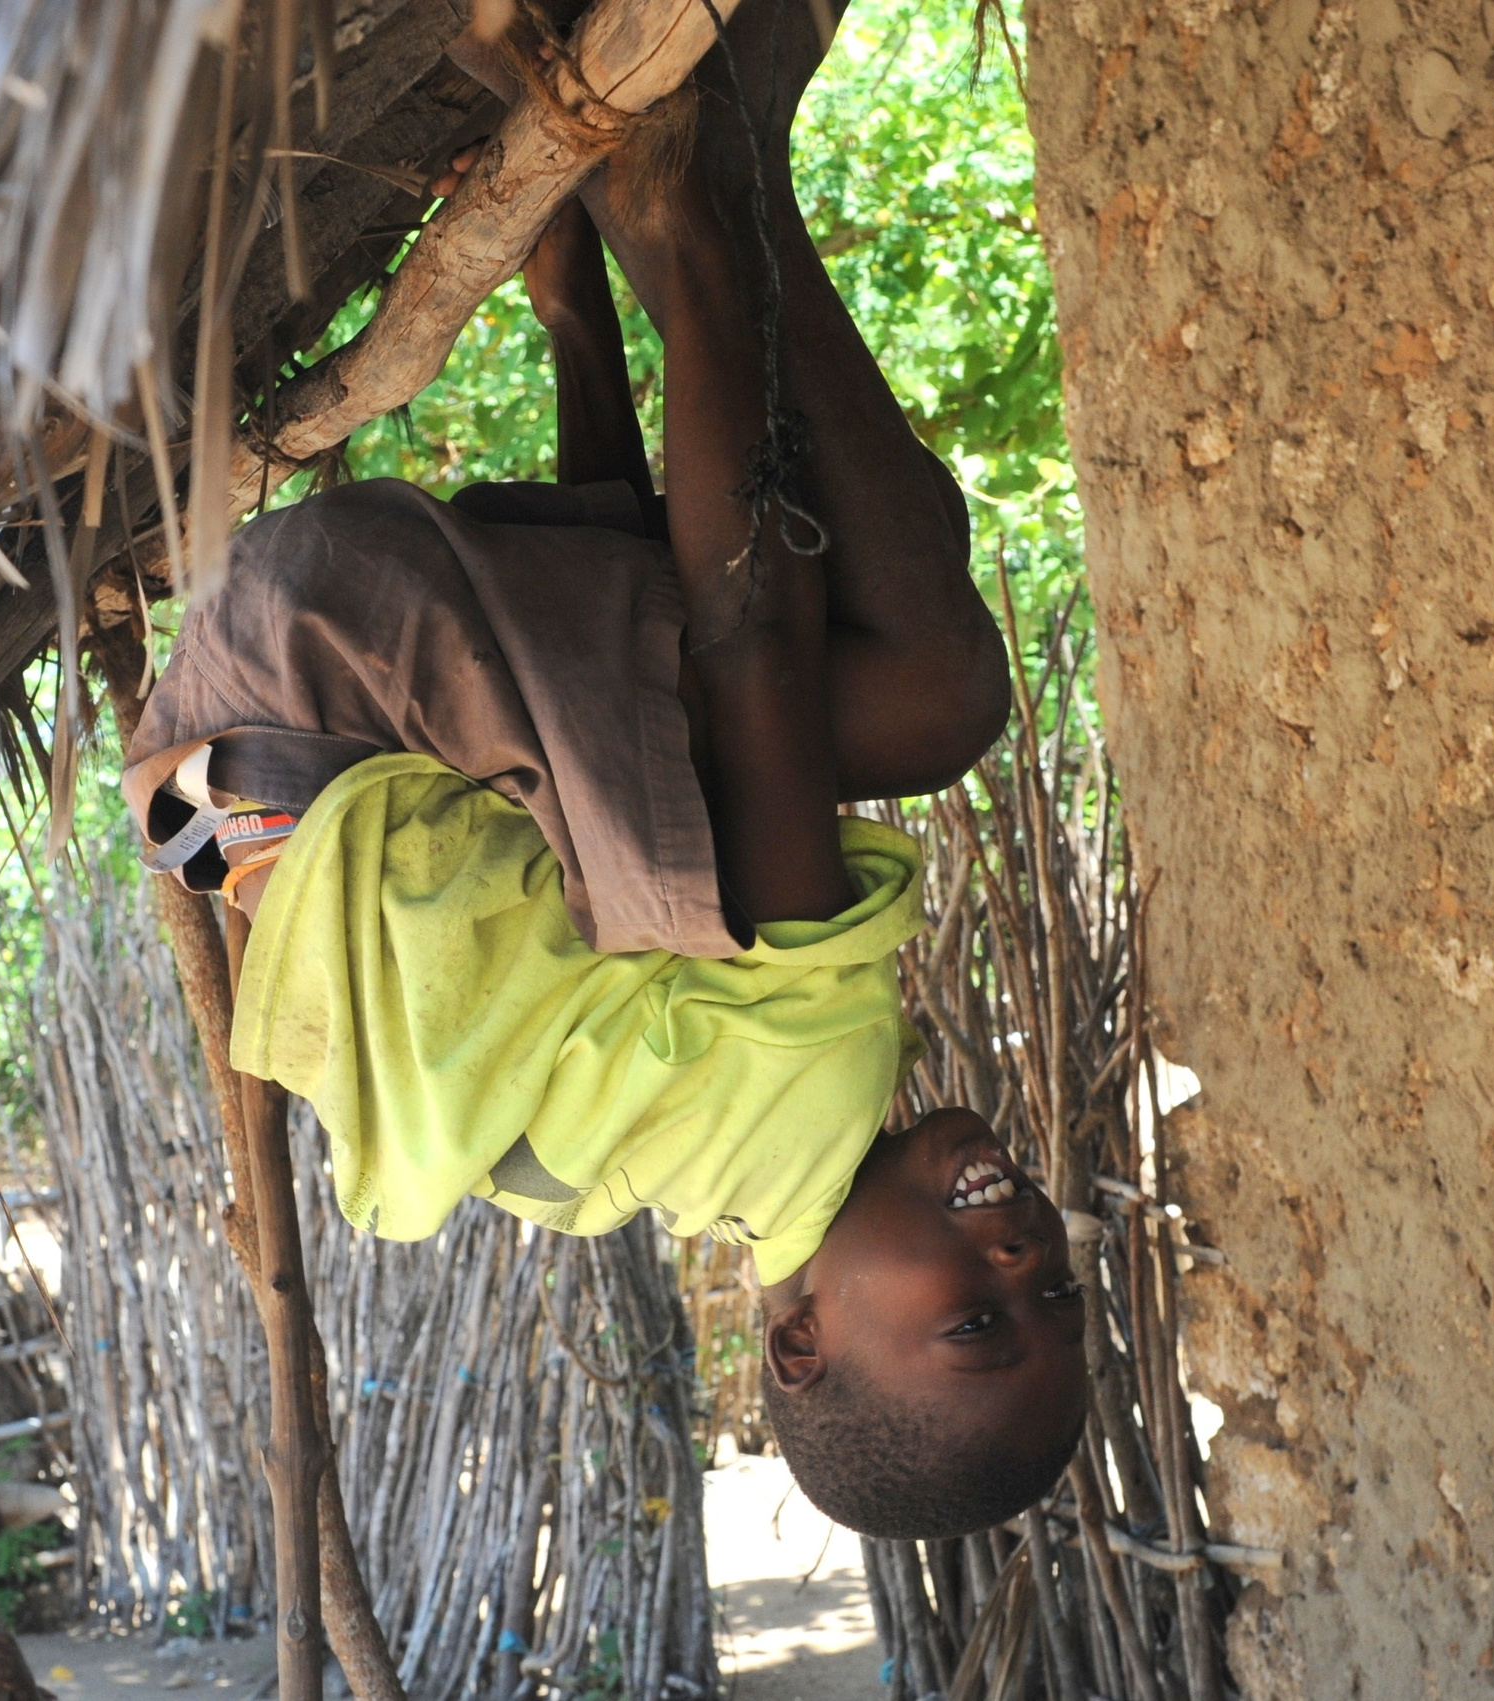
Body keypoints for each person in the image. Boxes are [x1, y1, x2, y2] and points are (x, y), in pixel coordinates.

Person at [123, 0, 1088, 1539]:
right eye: (1059, 1292)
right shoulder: (675, 1161)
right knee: (711, 743)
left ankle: (717, 187)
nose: (1023, 1257)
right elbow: (600, 731)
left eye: (978, 1319)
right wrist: (573, 306)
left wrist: (681, 249)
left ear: (801, 1340)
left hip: (299, 694)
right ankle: (619, 255)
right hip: (192, 799)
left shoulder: (803, 1075)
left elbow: (745, 638)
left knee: (935, 688)